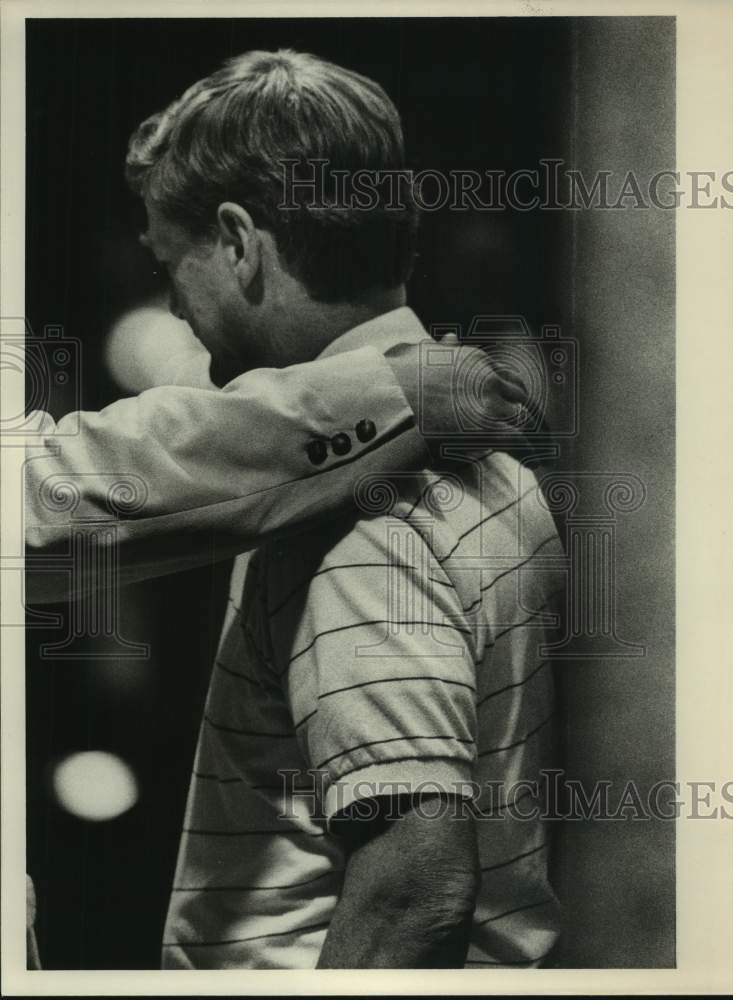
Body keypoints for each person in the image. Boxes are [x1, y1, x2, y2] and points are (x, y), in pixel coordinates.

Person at [114, 48, 564, 969]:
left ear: (239, 244)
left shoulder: (356, 520)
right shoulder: (494, 465)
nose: (175, 307)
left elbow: (415, 886)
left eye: (173, 267)